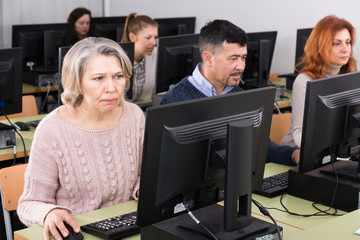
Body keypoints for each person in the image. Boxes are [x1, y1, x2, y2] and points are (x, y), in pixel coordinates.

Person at [17, 37, 145, 240]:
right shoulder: (52, 130)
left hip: (126, 228)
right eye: (98, 78)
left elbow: (142, 176)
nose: (112, 88)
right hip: (79, 232)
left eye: (118, 76)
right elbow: (28, 204)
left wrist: (143, 192)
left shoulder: (134, 115)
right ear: (77, 83)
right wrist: (49, 213)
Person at [160, 19, 300, 166]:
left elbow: (258, 145)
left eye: (243, 58)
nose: (241, 66)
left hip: (233, 184)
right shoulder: (175, 101)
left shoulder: (239, 95)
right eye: (233, 58)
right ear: (208, 58)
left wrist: (293, 154)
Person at [280, 15, 357, 148]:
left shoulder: (351, 77)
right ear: (320, 46)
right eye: (336, 43)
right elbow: (299, 133)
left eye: (348, 42)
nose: (345, 49)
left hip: (335, 151)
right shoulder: (304, 81)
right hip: (297, 153)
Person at [121, 12, 158, 102]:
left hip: (145, 108)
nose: (154, 42)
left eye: (155, 37)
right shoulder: (117, 59)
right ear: (132, 37)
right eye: (148, 37)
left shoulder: (156, 54)